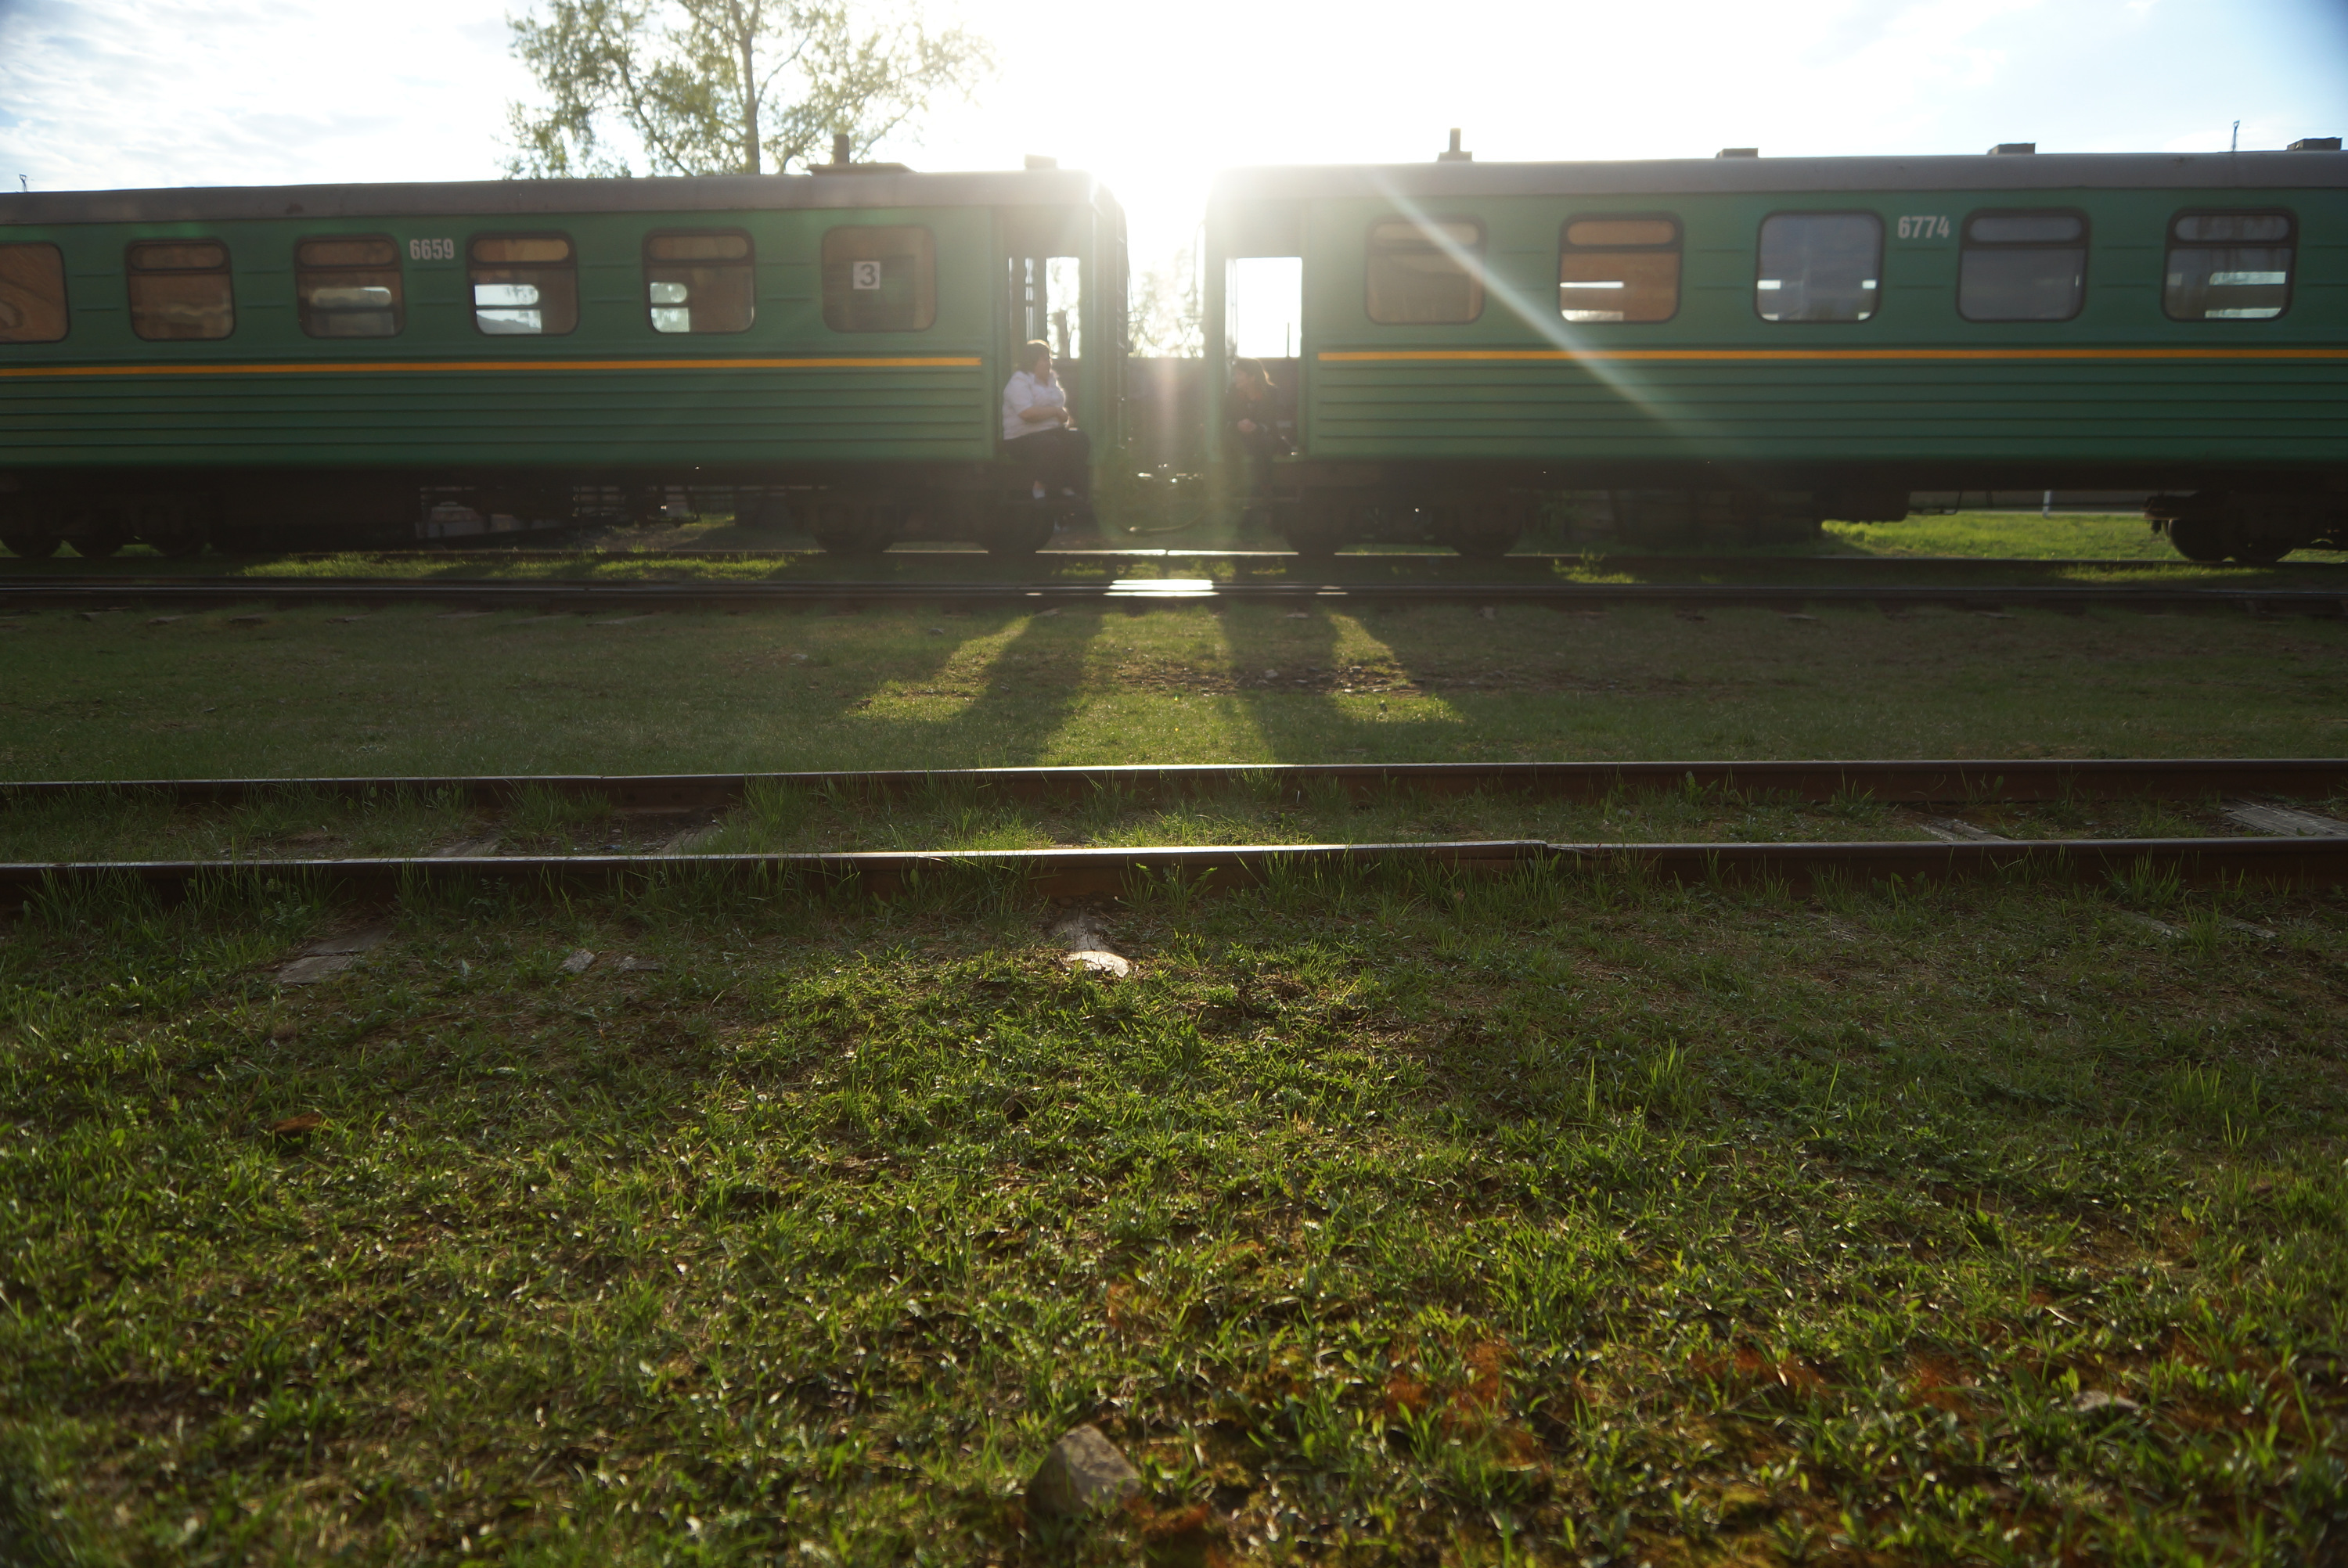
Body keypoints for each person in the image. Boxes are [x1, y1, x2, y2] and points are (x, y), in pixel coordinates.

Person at [1002, 340, 1090, 503]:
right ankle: (1039, 487)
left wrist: (1065, 418)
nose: (1049, 362)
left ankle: (1067, 485)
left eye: (1049, 358)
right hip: (1021, 438)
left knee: (1079, 439)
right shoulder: (1019, 382)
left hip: (1051, 432)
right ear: (1032, 360)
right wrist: (1055, 412)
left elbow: (1060, 408)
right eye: (1045, 358)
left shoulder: (1051, 381)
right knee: (1051, 445)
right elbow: (1027, 414)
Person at [1226, 357, 1291, 498]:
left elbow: (1272, 422)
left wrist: (1257, 427)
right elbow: (1227, 419)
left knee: (1263, 442)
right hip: (1240, 437)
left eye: (1238, 374)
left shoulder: (1271, 393)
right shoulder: (1232, 393)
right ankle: (1233, 487)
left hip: (1262, 436)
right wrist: (1238, 425)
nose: (1235, 377)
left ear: (1252, 377)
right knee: (1230, 444)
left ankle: (1265, 487)